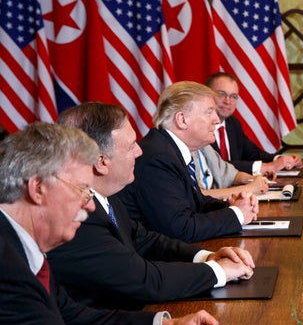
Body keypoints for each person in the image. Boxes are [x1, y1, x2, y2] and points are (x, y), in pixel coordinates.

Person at [0, 123, 248, 325]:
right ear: (38, 188)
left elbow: (76, 316)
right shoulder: (7, 265)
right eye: (81, 189)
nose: (90, 204)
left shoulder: (19, 244)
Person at [48, 103, 255, 310]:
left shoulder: (106, 196)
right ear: (102, 162)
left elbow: (145, 240)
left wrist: (205, 256)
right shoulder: (78, 214)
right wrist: (218, 271)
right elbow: (145, 280)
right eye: (131, 146)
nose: (139, 151)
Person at [119, 81, 259, 242]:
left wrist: (230, 206)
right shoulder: (158, 158)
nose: (217, 119)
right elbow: (180, 229)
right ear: (182, 120)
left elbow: (195, 203)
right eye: (209, 112)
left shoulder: (170, 148)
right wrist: (237, 214)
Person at [206, 72, 303, 177]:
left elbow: (253, 154)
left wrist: (282, 160)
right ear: (207, 95)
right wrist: (269, 167)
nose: (228, 101)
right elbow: (218, 165)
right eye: (221, 94)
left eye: (233, 96)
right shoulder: (201, 127)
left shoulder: (233, 124)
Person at [193, 145, 270, 201]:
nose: (216, 122)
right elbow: (199, 195)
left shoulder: (205, 147)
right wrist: (249, 188)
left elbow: (233, 175)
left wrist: (255, 179)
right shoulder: (184, 154)